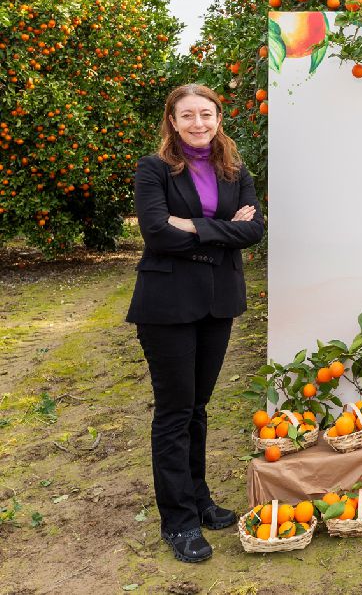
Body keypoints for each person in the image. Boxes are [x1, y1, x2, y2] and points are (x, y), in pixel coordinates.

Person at [126, 84, 265, 562]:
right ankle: (178, 520)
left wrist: (194, 226)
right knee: (174, 412)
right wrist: (219, 233)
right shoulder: (154, 169)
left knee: (198, 406)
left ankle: (199, 498)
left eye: (206, 114)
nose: (198, 123)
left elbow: (254, 230)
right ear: (172, 120)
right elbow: (156, 232)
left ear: (219, 117)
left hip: (218, 302)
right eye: (188, 116)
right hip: (166, 305)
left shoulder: (234, 169)